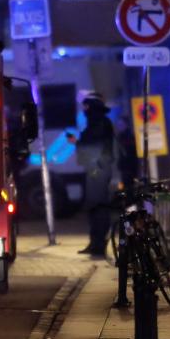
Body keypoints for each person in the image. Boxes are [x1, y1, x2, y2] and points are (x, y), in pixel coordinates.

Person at [69, 92, 115, 256]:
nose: (84, 110)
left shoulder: (99, 123)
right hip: (96, 169)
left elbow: (93, 147)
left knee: (98, 206)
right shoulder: (98, 122)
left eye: (86, 106)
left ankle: (98, 244)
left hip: (98, 169)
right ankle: (95, 243)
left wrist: (77, 142)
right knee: (94, 206)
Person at [115, 116, 138, 192]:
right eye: (118, 125)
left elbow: (130, 151)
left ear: (126, 125)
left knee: (129, 186)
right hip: (124, 167)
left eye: (121, 124)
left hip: (130, 166)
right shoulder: (119, 137)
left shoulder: (129, 137)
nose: (119, 127)